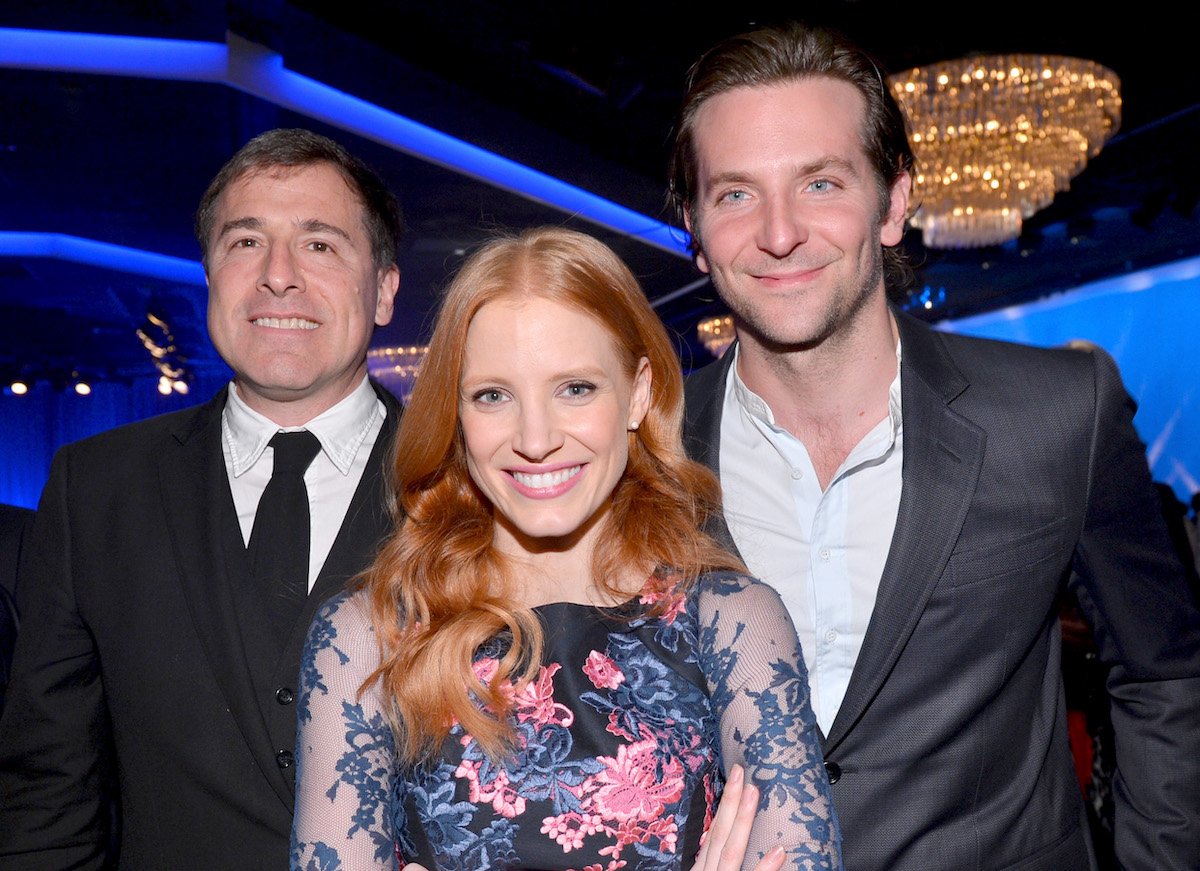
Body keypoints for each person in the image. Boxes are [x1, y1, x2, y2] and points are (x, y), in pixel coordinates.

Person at [669, 22, 1200, 871]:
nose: (779, 231)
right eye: (735, 194)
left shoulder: (1059, 411)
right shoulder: (642, 449)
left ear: (893, 203)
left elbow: (1166, 672)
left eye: (820, 183)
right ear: (694, 228)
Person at [291, 226, 843, 870]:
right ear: (457, 415)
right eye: (493, 396)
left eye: (575, 389)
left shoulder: (730, 623)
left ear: (638, 394)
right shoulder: (368, 637)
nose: (535, 439)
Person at [0, 128, 402, 869]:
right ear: (210, 276)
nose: (278, 276)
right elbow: (48, 801)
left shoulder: (471, 489)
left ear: (382, 290)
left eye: (319, 244)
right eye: (245, 242)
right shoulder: (95, 490)